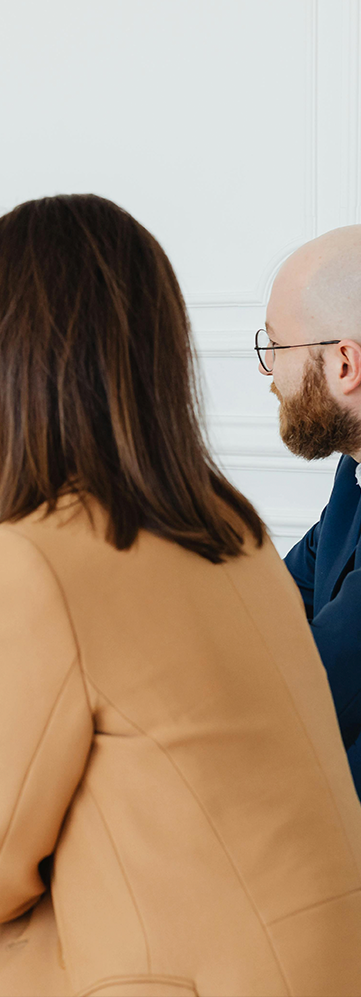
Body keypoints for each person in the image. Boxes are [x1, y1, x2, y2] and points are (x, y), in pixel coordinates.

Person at [0, 196, 361, 997]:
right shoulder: (226, 526)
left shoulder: (29, 560)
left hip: (186, 973)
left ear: (14, 364)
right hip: (313, 955)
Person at [260, 225, 361, 793]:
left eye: (276, 347)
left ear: (345, 364)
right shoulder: (354, 475)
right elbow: (269, 606)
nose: (268, 372)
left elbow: (310, 692)